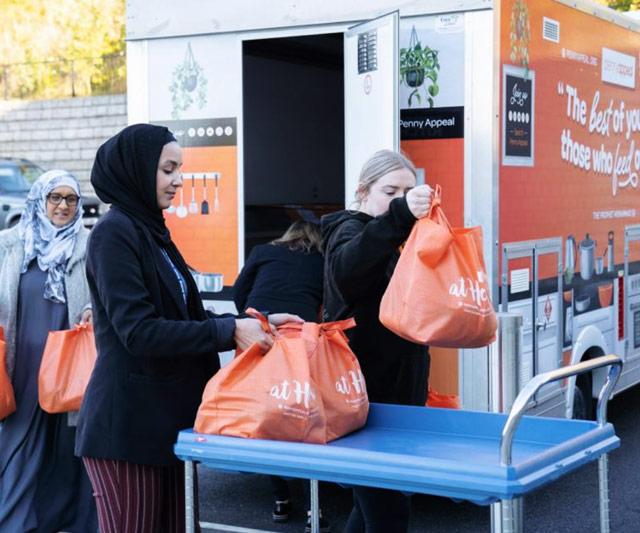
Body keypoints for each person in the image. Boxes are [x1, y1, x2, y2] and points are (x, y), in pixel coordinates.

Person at [74, 123, 299, 533]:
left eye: (179, 168)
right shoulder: (113, 233)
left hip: (165, 422)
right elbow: (139, 332)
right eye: (168, 169)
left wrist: (252, 323)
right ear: (136, 170)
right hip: (127, 429)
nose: (179, 180)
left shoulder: (152, 232)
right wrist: (228, 333)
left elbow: (185, 317)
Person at [321, 149, 432, 533]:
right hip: (366, 399)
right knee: (389, 512)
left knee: (373, 506)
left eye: (407, 192)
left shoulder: (395, 239)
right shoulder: (348, 230)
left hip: (395, 397)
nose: (400, 200)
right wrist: (401, 215)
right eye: (390, 192)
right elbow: (349, 270)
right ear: (363, 192)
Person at [0, 170, 98, 532]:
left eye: (71, 199)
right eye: (54, 197)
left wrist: (92, 309)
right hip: (22, 361)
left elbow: (103, 292)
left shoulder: (88, 245)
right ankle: (15, 522)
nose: (63, 206)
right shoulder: (11, 243)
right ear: (39, 200)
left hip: (70, 361)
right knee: (20, 440)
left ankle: (68, 520)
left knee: (68, 441)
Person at [233, 220, 330, 533]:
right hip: (300, 344)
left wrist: (256, 321)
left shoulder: (263, 252)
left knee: (268, 418)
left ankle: (280, 498)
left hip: (259, 339)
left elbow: (240, 295)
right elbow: (328, 305)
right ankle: (314, 507)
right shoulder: (322, 261)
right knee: (305, 420)